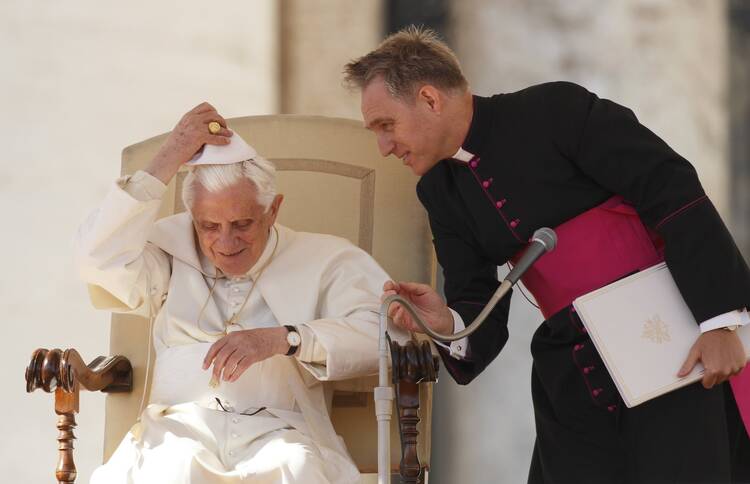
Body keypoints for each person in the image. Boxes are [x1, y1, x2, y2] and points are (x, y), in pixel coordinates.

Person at [344, 26, 750, 483]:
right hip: (572, 367)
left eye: (386, 126)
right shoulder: (440, 191)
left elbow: (670, 187)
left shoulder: (554, 110)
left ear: (430, 99)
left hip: (665, 340)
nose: (383, 147)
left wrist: (719, 321)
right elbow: (476, 301)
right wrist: (449, 324)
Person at [74, 103, 405, 483]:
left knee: (294, 468)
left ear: (273, 211)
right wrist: (169, 156)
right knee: (172, 468)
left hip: (280, 429)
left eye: (242, 223)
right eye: (209, 226)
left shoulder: (326, 259)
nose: (226, 242)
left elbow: (389, 334)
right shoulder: (168, 251)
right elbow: (96, 259)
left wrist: (288, 339)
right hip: (178, 427)